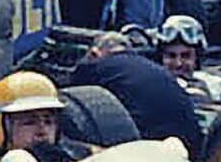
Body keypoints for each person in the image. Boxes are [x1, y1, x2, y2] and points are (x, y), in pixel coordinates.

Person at [69, 31, 202, 153]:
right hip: (192, 144)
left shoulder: (97, 65)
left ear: (95, 53)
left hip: (147, 146)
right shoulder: (149, 66)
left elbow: (72, 96)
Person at [156, 14, 221, 105]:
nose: (178, 63)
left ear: (197, 58)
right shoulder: (149, 87)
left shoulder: (219, 87)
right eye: (171, 56)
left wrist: (208, 101)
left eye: (185, 56)